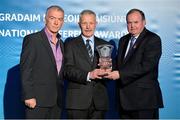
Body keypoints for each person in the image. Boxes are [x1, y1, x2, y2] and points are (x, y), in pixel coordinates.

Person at [104, 8, 164, 119]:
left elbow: (146, 66)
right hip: (124, 100)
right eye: (129, 22)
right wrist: (108, 68)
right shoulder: (123, 40)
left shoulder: (153, 39)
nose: (132, 26)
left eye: (136, 22)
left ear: (144, 22)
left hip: (144, 101)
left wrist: (120, 74)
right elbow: (120, 63)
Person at [20, 5, 65, 119]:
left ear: (62, 22)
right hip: (37, 102)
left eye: (59, 19)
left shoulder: (62, 44)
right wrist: (29, 96)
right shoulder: (33, 40)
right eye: (52, 18)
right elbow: (26, 69)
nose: (56, 22)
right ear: (45, 19)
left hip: (56, 102)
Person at [64, 10, 109, 119]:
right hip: (77, 103)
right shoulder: (70, 44)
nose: (88, 27)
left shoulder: (105, 45)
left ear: (96, 24)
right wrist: (89, 75)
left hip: (99, 103)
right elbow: (67, 70)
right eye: (84, 23)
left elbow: (109, 71)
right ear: (79, 24)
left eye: (91, 23)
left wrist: (108, 70)